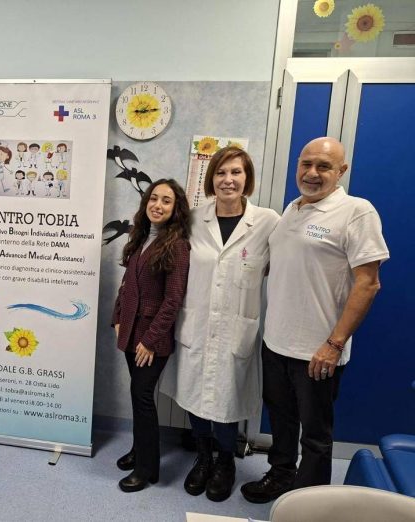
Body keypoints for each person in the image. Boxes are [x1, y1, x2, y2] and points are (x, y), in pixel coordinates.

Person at [241, 137, 389, 503]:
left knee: (315, 435)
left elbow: (368, 284)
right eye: (306, 164)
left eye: (323, 166)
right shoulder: (292, 209)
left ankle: (309, 502)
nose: (312, 173)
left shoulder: (357, 212)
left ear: (341, 171)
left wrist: (335, 344)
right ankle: (280, 476)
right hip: (276, 342)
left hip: (318, 351)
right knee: (281, 420)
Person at [159, 147, 279, 502]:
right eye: (221, 173)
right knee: (193, 396)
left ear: (247, 179)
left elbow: (282, 266)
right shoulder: (194, 220)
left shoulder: (268, 222)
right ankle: (203, 457)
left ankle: (225, 462)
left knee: (227, 401)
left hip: (235, 329)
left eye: (236, 172)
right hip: (196, 325)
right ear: (211, 179)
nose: (228, 180)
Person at [112, 178, 191, 493]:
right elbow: (126, 285)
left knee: (142, 396)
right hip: (130, 332)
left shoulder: (177, 246)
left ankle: (146, 469)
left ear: (176, 208)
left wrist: (150, 340)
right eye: (154, 198)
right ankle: (139, 450)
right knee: (138, 395)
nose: (158, 205)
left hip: (150, 340)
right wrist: (117, 318)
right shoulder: (141, 236)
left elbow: (173, 301)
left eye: (166, 201)